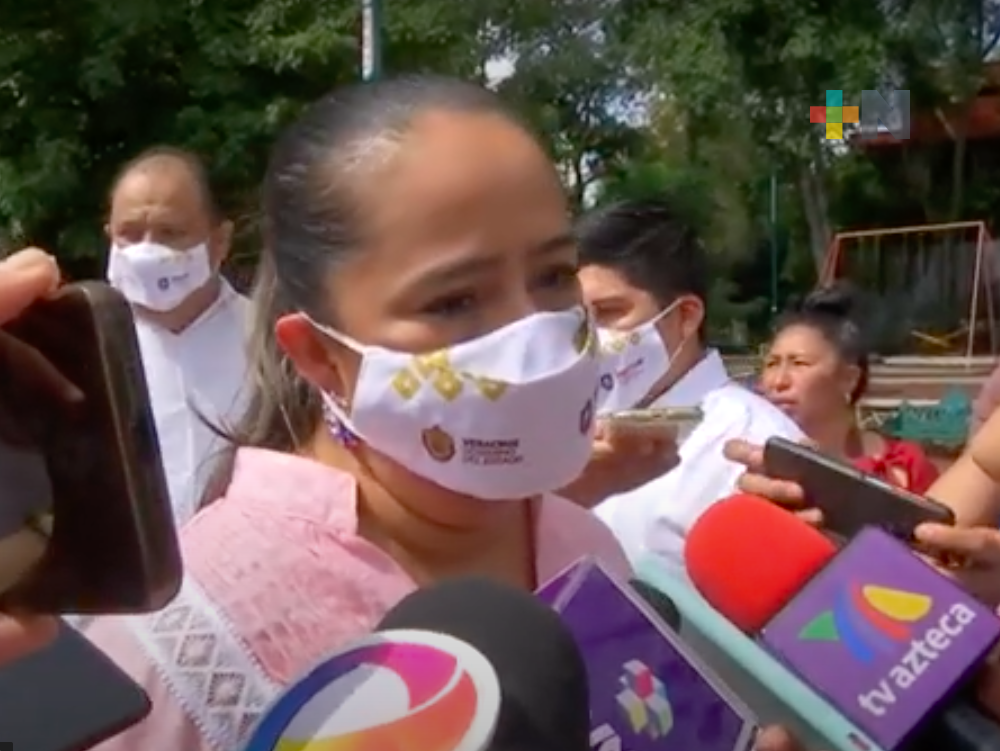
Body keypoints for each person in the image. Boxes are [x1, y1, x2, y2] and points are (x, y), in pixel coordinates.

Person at [575, 198, 803, 572]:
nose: (587, 337)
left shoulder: (756, 452)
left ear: (685, 316)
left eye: (608, 312)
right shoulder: (567, 434)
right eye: (576, 319)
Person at [105, 147, 250, 524]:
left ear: (220, 241)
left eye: (169, 233)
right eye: (129, 234)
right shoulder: (89, 350)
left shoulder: (272, 346)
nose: (146, 251)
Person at [760, 284, 938, 494]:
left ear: (849, 379)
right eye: (772, 363)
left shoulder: (905, 468)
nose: (779, 381)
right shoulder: (752, 465)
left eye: (799, 363)